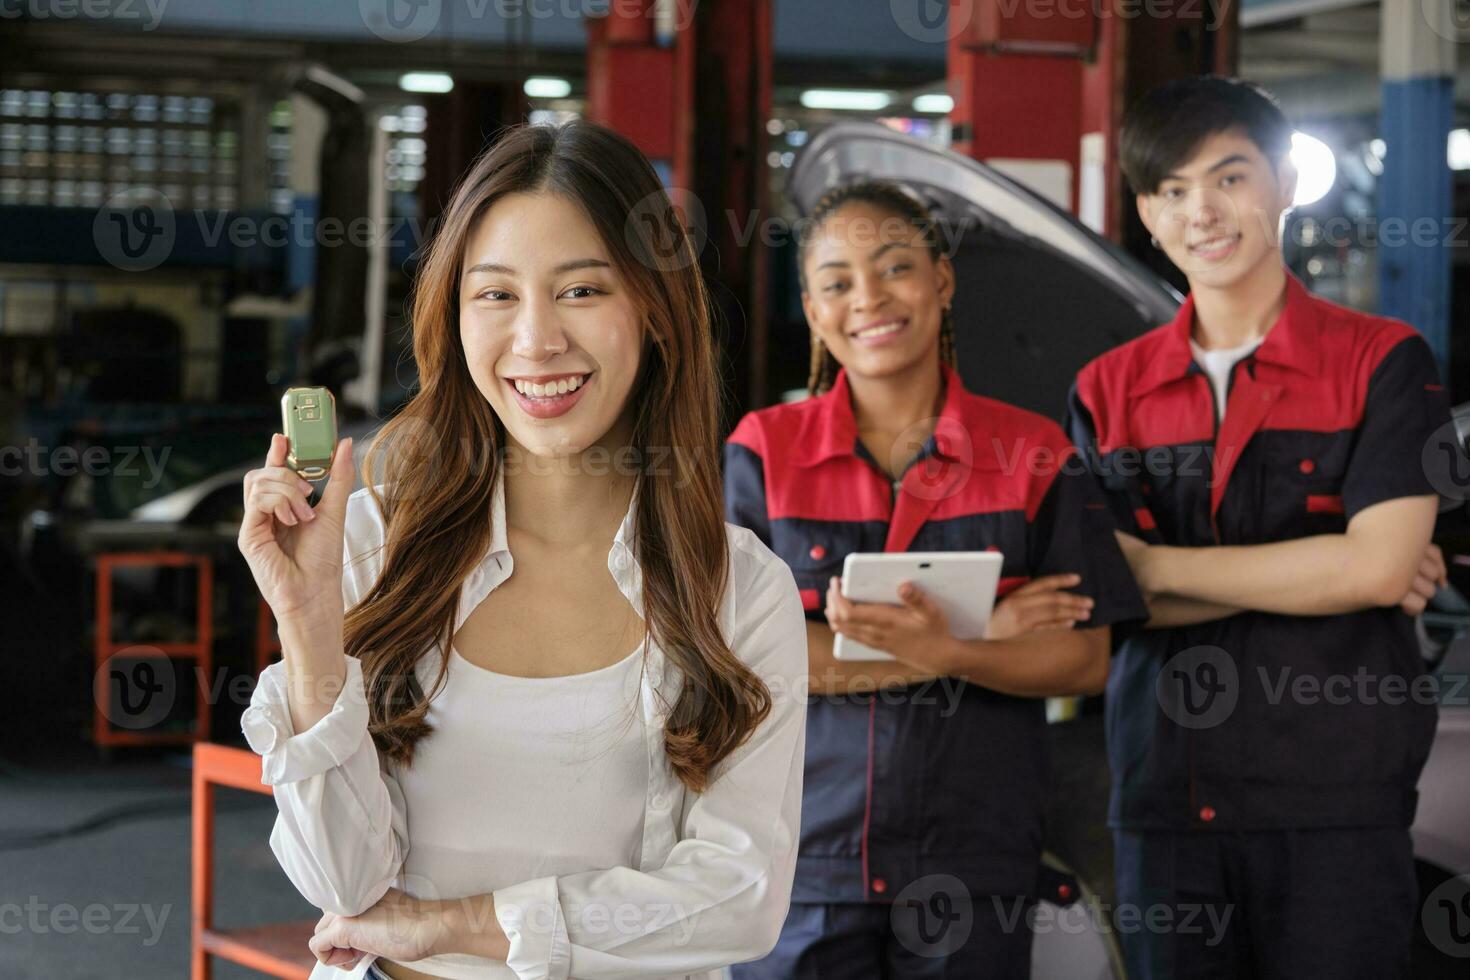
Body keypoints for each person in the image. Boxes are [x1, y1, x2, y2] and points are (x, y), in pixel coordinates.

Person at [236, 120, 808, 980]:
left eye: (581, 291)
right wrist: (310, 629)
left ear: (653, 310)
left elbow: (740, 898)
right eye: (495, 295)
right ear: (454, 317)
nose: (536, 341)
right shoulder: (368, 547)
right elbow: (342, 884)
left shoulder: (738, 589)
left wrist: (456, 925)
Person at [1066, 75, 1454, 979]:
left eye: (1230, 176)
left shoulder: (1384, 362)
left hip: (1338, 803)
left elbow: (1376, 569)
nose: (1202, 210)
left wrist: (1155, 567)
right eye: (1172, 190)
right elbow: (1100, 595)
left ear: (1285, 181)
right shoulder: (1105, 389)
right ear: (1147, 216)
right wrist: (1337, 567)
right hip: (1166, 799)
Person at [723, 180, 1147, 978]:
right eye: (838, 282)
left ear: (942, 282)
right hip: (801, 862)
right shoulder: (762, 455)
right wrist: (974, 637)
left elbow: (1085, 659)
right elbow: (740, 659)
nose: (869, 299)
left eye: (894, 268)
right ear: (813, 310)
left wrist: (932, 654)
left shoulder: (1034, 455)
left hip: (972, 861)